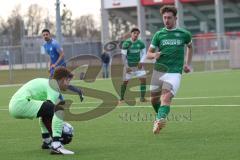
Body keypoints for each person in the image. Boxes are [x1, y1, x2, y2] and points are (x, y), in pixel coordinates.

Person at [147, 5, 193, 134]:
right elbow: (148, 54)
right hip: (158, 72)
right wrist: (154, 55)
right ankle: (159, 118)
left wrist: (187, 64)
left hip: (174, 73)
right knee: (154, 99)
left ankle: (160, 119)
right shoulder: (159, 34)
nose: (166, 20)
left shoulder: (184, 34)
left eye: (169, 18)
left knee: (165, 98)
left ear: (175, 18)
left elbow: (190, 47)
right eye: (164, 18)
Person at [9, 67, 75, 154]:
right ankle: (56, 145)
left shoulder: (49, 83)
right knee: (58, 110)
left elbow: (46, 113)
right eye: (68, 80)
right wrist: (59, 132)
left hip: (15, 105)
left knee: (46, 112)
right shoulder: (54, 87)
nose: (68, 84)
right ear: (63, 79)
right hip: (22, 103)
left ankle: (47, 141)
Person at [42, 29, 83, 102]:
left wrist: (55, 64)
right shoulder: (45, 46)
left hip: (61, 66)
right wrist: (50, 66)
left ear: (49, 35)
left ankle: (63, 99)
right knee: (56, 84)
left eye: (46, 34)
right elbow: (51, 57)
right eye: (44, 35)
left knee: (58, 84)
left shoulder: (55, 43)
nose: (45, 36)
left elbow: (62, 55)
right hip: (54, 68)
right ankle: (77, 92)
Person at [120, 27, 147, 103]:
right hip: (129, 66)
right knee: (125, 82)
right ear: (131, 34)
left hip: (138, 66)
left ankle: (142, 98)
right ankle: (121, 98)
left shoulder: (141, 43)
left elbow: (144, 53)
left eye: (137, 34)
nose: (136, 35)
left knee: (143, 80)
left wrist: (141, 62)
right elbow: (123, 56)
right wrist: (126, 66)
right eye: (134, 33)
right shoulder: (126, 43)